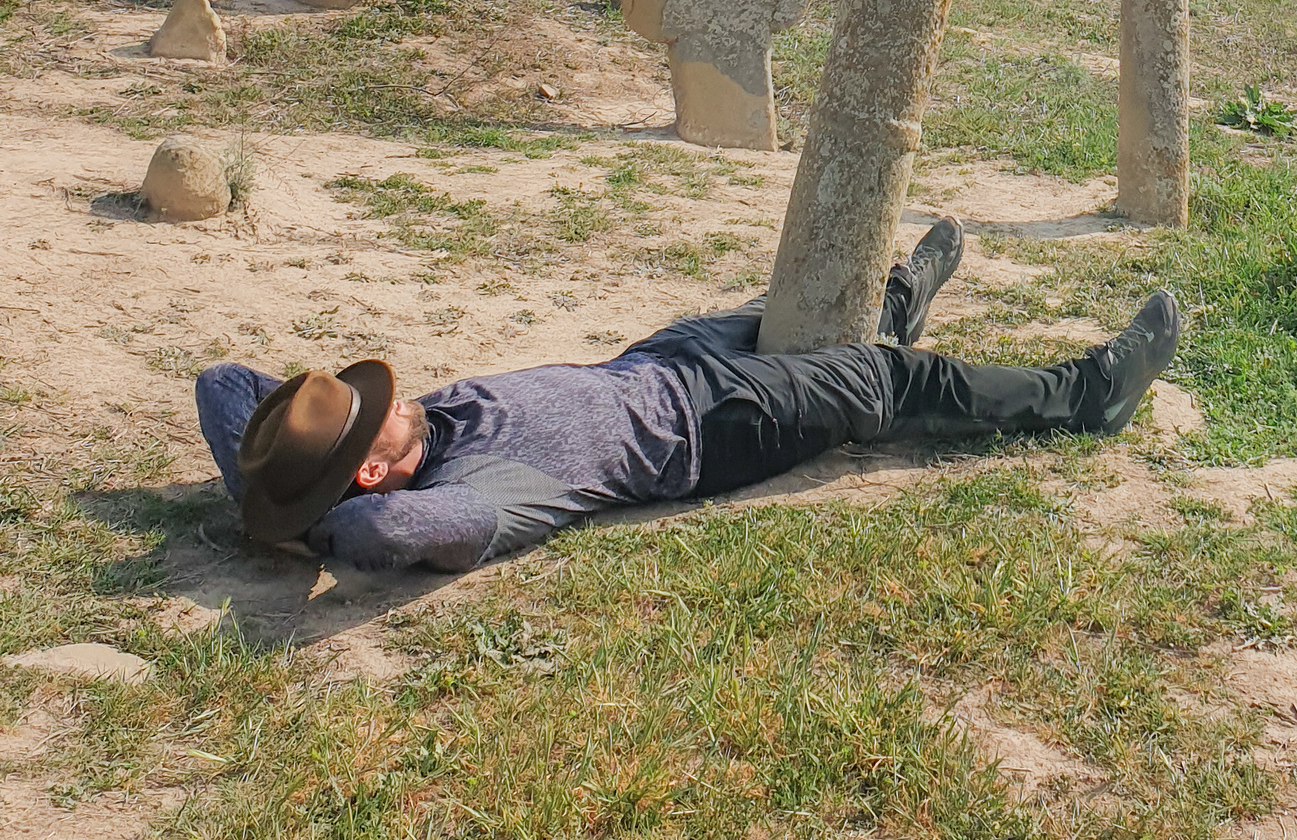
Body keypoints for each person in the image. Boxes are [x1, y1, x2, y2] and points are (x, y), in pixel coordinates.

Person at [194, 220, 1182, 573]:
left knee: (798, 304)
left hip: (655, 363)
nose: (392, 397)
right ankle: (1085, 394)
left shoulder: (404, 444)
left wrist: (274, 488)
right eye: (373, 420)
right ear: (373, 469)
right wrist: (317, 530)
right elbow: (392, 539)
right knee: (888, 383)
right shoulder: (473, 492)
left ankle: (888, 299)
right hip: (719, 428)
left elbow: (221, 386)